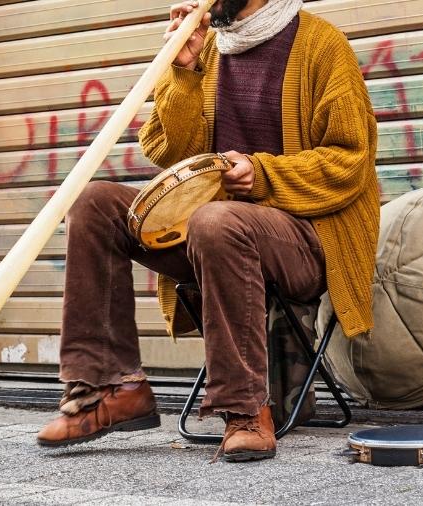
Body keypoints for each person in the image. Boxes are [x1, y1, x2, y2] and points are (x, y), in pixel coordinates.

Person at [36, 0, 379, 462]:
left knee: (216, 220)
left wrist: (263, 174)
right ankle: (110, 388)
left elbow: (351, 161)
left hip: (307, 239)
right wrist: (182, 71)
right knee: (94, 203)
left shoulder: (322, 45)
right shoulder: (208, 49)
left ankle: (246, 410)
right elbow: (166, 151)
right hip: (208, 231)